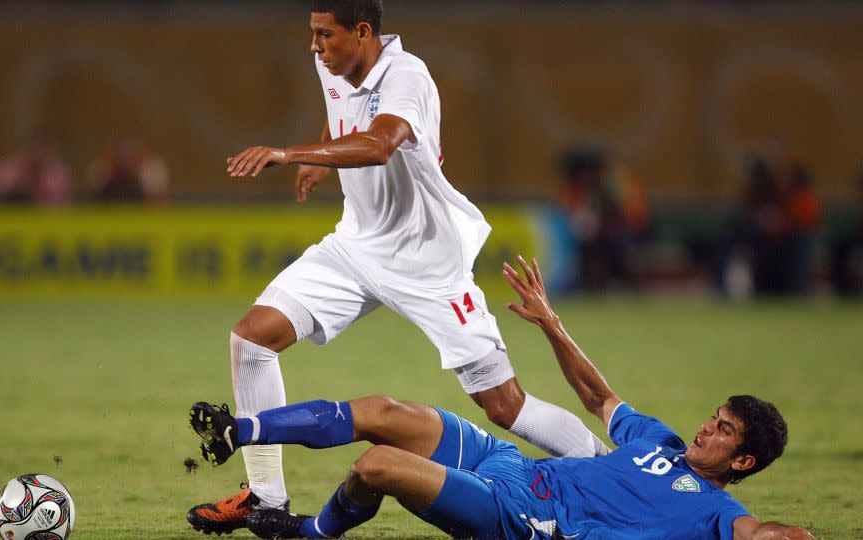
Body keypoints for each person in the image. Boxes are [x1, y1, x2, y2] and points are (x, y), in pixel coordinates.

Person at [186, 0, 608, 534]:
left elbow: (383, 143)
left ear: (362, 32)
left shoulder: (408, 76)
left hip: (429, 264)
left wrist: (292, 154)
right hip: (356, 247)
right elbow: (340, 107)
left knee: (504, 405)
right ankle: (265, 499)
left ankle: (607, 468)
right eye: (312, 34)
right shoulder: (333, 62)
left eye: (324, 35)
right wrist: (321, 158)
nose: (314, 47)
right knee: (251, 339)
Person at [188, 256, 815, 540]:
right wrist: (551, 324)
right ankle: (242, 430)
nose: (708, 428)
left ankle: (308, 533)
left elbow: (763, 533)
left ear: (744, 463)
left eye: (725, 431)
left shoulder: (713, 515)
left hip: (521, 520)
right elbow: (598, 396)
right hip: (516, 470)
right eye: (716, 417)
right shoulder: (661, 442)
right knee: (384, 412)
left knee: (375, 464)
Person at [0, 131, 71, 206]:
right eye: (34, 147)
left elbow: (63, 206)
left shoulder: (57, 174)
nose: (37, 152)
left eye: (42, 147)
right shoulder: (10, 170)